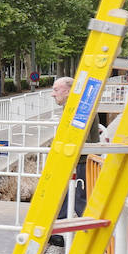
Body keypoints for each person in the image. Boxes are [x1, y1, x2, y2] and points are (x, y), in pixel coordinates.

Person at [51, 77, 95, 242]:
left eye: (56, 90)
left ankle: (92, 239)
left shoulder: (77, 107)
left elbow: (75, 136)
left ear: (69, 91)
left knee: (78, 198)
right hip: (78, 159)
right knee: (68, 195)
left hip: (79, 160)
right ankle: (56, 232)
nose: (52, 94)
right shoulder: (75, 106)